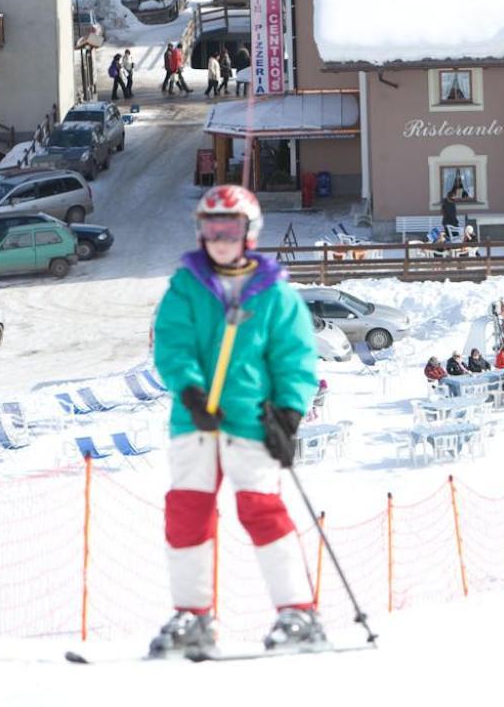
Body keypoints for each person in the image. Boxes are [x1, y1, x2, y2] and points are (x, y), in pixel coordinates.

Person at [148, 184, 322, 657]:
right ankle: (193, 614)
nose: (220, 238)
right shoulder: (185, 285)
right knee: (187, 511)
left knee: (261, 509)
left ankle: (297, 611)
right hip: (197, 421)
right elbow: (172, 342)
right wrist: (190, 390)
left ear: (250, 233)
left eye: (230, 229)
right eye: (211, 229)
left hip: (252, 421)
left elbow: (296, 356)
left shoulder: (274, 292)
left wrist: (289, 411)